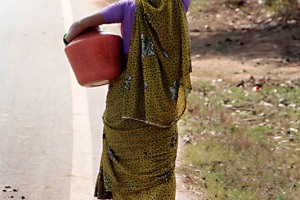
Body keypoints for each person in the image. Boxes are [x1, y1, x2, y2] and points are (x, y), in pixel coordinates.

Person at [64, 0, 192, 199]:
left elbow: (78, 26)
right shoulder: (178, 6)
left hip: (124, 104)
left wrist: (67, 39)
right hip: (161, 104)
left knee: (123, 169)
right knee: (159, 172)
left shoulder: (126, 7)